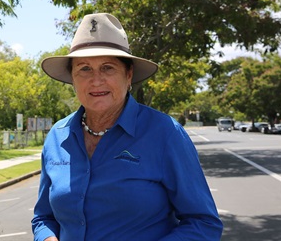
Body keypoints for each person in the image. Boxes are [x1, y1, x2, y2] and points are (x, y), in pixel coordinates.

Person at [31, 13, 223, 241]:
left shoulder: (165, 133)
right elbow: (43, 217)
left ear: (128, 74)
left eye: (108, 68)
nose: (96, 80)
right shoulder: (57, 136)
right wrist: (47, 238)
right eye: (84, 69)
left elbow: (204, 223)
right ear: (72, 78)